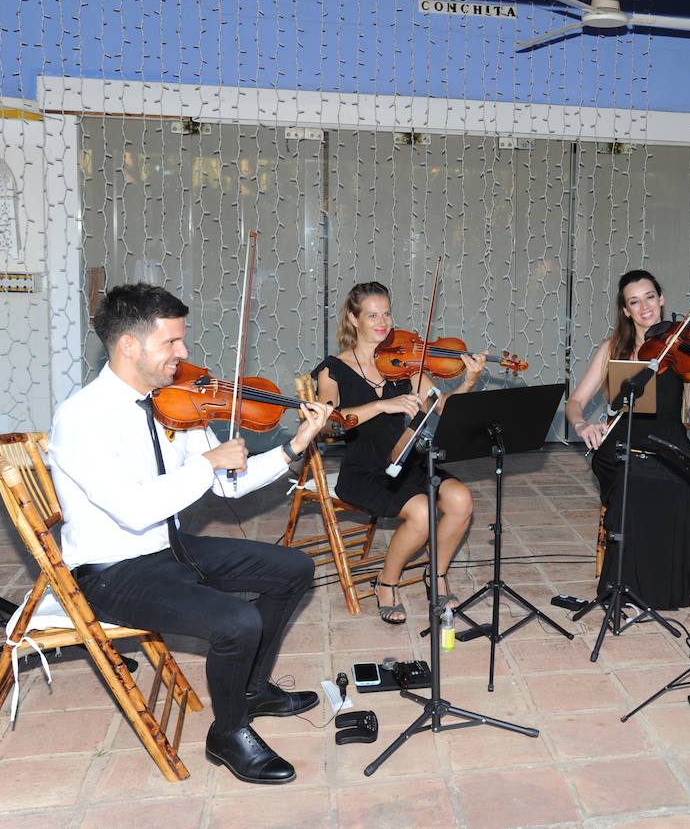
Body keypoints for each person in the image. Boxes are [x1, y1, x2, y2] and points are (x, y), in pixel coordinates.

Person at [50, 283, 335, 784]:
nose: (183, 354)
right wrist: (206, 462)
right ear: (129, 346)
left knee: (294, 567)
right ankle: (228, 733)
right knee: (237, 621)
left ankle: (248, 688)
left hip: (170, 550)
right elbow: (134, 509)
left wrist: (294, 446)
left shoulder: (173, 404)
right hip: (110, 572)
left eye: (182, 341)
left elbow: (230, 485)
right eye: (171, 343)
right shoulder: (83, 418)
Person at [314, 282, 485, 625]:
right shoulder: (332, 369)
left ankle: (435, 575)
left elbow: (442, 407)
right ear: (353, 319)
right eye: (372, 315)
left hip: (409, 460)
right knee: (422, 511)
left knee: (461, 499)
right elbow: (328, 422)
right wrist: (381, 404)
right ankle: (386, 582)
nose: (383, 322)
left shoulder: (404, 362)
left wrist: (467, 382)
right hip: (365, 470)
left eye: (387, 313)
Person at [566, 270, 690, 610]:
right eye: (635, 301)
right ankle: (626, 584)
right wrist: (582, 426)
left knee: (677, 486)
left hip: (668, 439)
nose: (644, 306)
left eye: (650, 297)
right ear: (626, 311)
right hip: (620, 439)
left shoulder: (684, 349)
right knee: (632, 476)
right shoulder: (613, 348)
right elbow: (574, 402)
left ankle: (659, 588)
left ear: (661, 299)